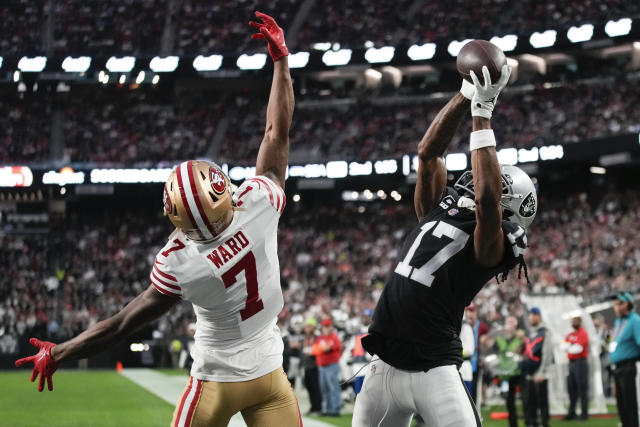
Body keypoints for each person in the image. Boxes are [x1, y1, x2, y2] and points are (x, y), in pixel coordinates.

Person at [14, 11, 301, 427]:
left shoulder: (180, 261)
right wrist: (281, 61)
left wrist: (59, 352)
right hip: (271, 377)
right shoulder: (257, 203)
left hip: (215, 383)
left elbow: (120, 324)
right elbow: (277, 133)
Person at [353, 64, 536, 427]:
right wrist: (465, 96)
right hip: (383, 365)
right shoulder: (438, 207)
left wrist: (482, 116)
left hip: (434, 369)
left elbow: (486, 201)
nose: (470, 181)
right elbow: (427, 154)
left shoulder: (493, 245)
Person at [484, 316, 525, 427]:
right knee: (509, 402)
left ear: (516, 324)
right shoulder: (500, 337)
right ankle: (513, 424)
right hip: (506, 373)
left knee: (526, 399)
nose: (509, 324)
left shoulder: (522, 336)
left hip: (520, 371)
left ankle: (530, 422)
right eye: (508, 322)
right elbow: (493, 351)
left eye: (512, 322)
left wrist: (524, 339)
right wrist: (488, 344)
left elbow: (528, 349)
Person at [519, 307, 554, 427]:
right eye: (530, 315)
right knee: (530, 402)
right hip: (529, 373)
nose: (531, 317)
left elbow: (547, 354)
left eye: (534, 315)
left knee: (542, 402)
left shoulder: (545, 332)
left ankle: (545, 423)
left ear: (539, 316)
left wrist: (542, 372)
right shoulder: (530, 333)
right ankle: (533, 423)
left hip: (540, 374)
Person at [609, 292, 640, 427]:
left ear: (627, 304)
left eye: (619, 304)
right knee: (621, 405)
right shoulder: (618, 321)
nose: (616, 307)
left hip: (628, 367)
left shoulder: (635, 320)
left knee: (630, 405)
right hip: (617, 368)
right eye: (615, 304)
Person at [312, 317, 343, 416]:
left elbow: (327, 349)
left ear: (331, 327)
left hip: (332, 366)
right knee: (324, 389)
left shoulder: (334, 337)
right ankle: (328, 409)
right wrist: (322, 348)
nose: (326, 328)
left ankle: (335, 409)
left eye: (328, 326)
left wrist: (321, 348)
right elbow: (314, 351)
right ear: (322, 327)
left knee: (333, 388)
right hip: (322, 367)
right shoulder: (320, 338)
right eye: (325, 326)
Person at [564, 315, 589, 420]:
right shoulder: (570, 334)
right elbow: (563, 345)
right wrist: (570, 347)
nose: (573, 323)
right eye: (572, 321)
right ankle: (571, 412)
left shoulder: (583, 333)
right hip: (571, 363)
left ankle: (584, 414)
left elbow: (578, 349)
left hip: (581, 363)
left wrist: (569, 347)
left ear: (579, 322)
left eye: (575, 321)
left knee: (582, 389)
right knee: (571, 389)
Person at [465, 303, 490, 403]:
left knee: (476, 389)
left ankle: (477, 414)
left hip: (477, 362)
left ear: (476, 312)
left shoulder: (482, 326)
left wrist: (485, 342)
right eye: (468, 311)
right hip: (465, 362)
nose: (470, 314)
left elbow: (490, 343)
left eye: (472, 311)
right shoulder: (462, 325)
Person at [301, 317, 323, 415]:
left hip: (315, 366)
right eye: (306, 326)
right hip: (306, 366)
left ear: (313, 327)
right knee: (309, 386)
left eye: (309, 326)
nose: (307, 328)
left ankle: (318, 407)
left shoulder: (317, 337)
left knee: (316, 387)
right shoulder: (305, 338)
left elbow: (318, 350)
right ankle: (313, 407)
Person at [593, 313, 611, 396]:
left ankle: (607, 392)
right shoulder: (594, 330)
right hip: (597, 355)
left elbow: (608, 340)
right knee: (598, 375)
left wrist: (603, 343)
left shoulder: (605, 330)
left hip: (604, 354)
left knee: (605, 375)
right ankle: (600, 393)